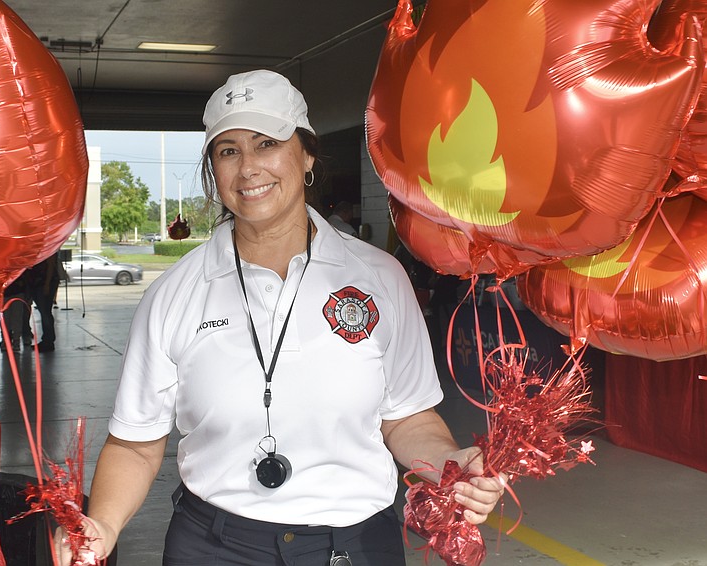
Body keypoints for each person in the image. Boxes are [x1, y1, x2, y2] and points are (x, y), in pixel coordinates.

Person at [55, 70, 504, 566]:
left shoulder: (380, 277)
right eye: (228, 150)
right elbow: (136, 444)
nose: (248, 167)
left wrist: (451, 462)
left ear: (306, 154)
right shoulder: (174, 293)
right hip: (213, 546)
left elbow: (407, 416)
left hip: (354, 545)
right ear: (213, 169)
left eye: (266, 143)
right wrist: (104, 522)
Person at [27, 252, 60, 351]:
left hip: (43, 282)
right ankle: (47, 339)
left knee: (45, 312)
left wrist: (47, 284)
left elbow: (50, 265)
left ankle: (48, 341)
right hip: (37, 282)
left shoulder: (48, 248)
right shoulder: (38, 247)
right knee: (44, 312)